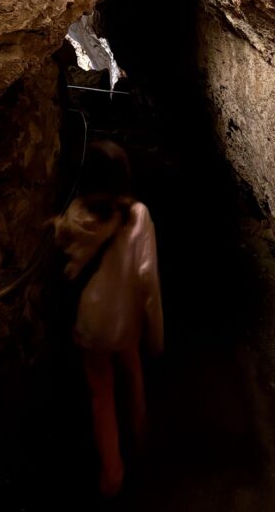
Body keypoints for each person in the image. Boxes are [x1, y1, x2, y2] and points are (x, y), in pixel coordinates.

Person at [54, 140, 163, 497]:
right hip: (125, 319)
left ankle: (112, 472)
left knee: (100, 395)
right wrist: (155, 330)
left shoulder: (76, 212)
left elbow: (64, 251)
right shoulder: (138, 216)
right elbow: (147, 276)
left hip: (91, 323)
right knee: (132, 370)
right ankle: (139, 429)